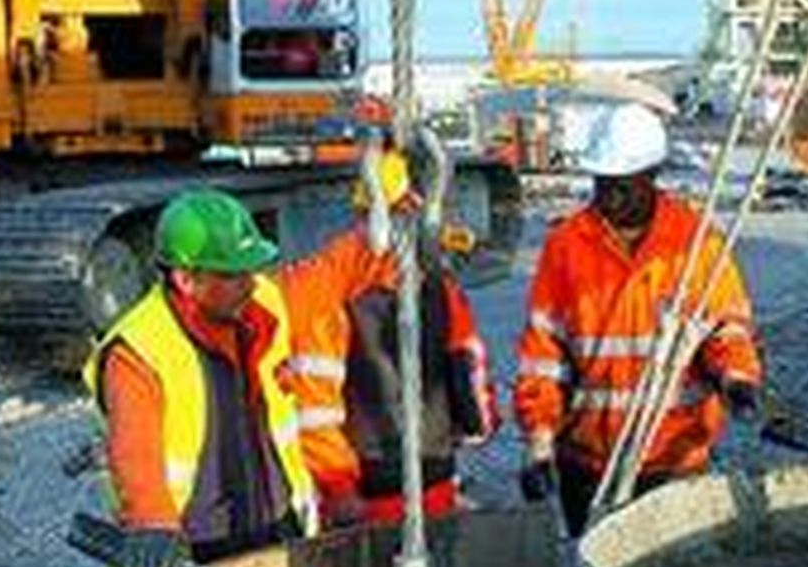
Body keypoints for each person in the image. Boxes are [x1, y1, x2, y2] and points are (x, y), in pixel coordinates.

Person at [514, 102, 764, 537]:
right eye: (602, 184)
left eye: (623, 187)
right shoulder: (566, 246)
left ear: (652, 177)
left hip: (676, 460)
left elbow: (727, 327)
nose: (609, 198)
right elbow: (543, 356)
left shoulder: (695, 243)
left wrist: (736, 376)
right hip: (588, 462)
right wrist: (539, 442)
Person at [83, 189, 318, 567]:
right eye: (233, 273)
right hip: (198, 548)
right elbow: (133, 451)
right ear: (186, 280)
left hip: (274, 524)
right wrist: (153, 521)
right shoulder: (140, 350)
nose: (250, 283)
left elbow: (326, 278)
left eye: (251, 268)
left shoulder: (259, 305)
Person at [280, 148, 499, 528]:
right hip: (372, 490)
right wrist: (340, 489)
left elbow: (467, 364)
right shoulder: (336, 290)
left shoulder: (430, 281)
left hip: (427, 474)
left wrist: (478, 420)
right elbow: (314, 405)